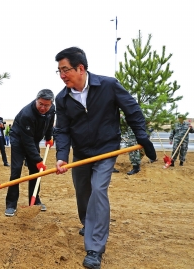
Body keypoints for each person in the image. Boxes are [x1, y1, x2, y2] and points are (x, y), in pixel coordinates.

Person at [53, 47, 156, 269]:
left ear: (80, 68)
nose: (61, 75)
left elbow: (132, 110)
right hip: (81, 153)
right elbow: (61, 130)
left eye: (65, 69)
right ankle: (87, 223)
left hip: (106, 150)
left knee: (98, 190)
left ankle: (94, 248)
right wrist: (62, 156)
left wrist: (142, 137)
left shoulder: (108, 85)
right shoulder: (62, 99)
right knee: (83, 193)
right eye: (59, 71)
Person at [5, 89, 55, 216]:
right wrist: (38, 160)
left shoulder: (52, 109)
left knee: (35, 172)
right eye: (40, 104)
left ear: (51, 103)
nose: (43, 108)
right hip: (19, 140)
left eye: (46, 105)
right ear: (36, 100)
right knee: (16, 171)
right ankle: (11, 204)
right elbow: (27, 141)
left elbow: (49, 124)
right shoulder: (27, 114)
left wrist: (49, 137)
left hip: (33, 140)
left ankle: (35, 200)